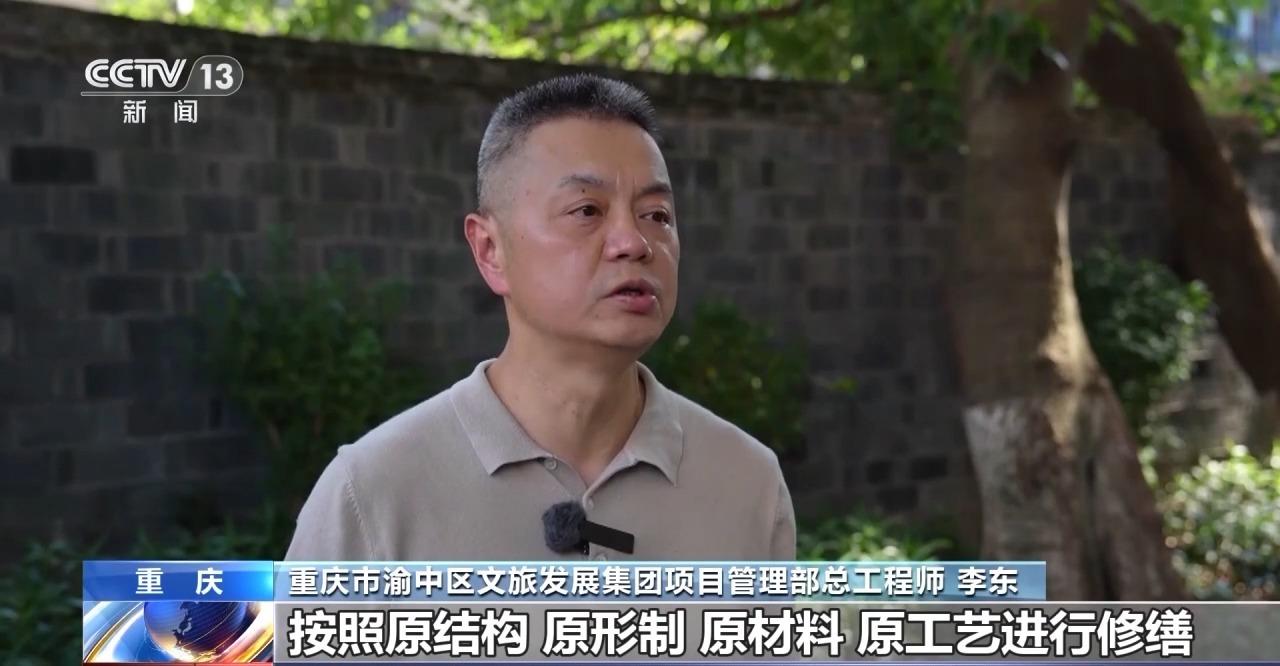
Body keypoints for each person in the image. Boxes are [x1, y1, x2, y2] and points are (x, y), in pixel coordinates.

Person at [285, 73, 795, 561]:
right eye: (587, 211)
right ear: (490, 250)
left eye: (656, 215)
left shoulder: (747, 483)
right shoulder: (371, 492)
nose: (634, 243)